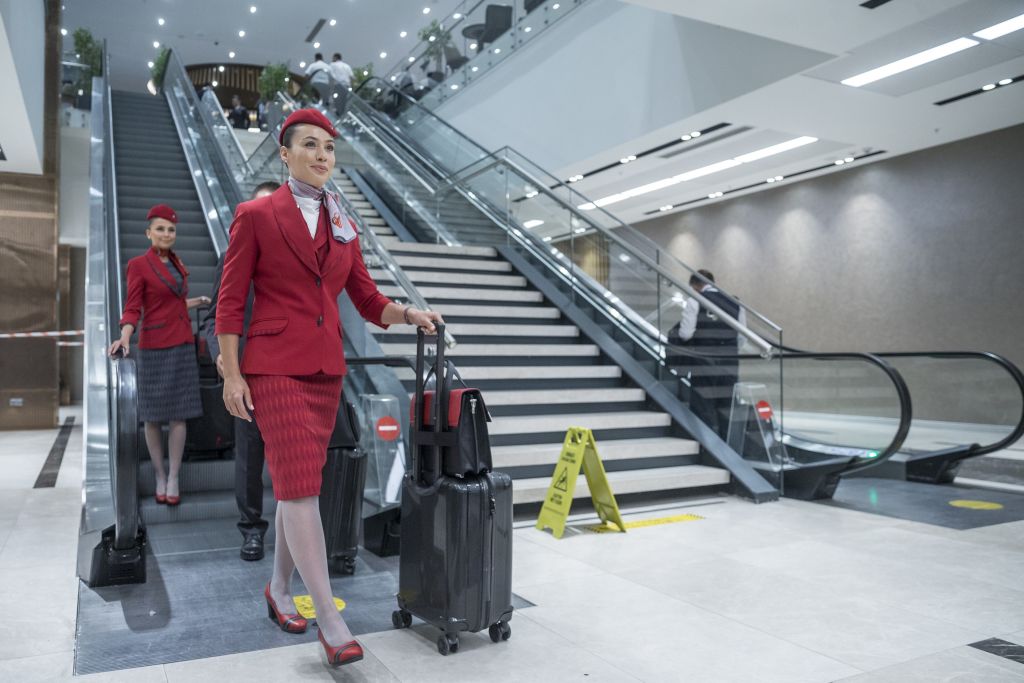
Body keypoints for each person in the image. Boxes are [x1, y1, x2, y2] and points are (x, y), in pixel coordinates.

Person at [215, 109, 443, 667]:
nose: (322, 156)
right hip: (272, 367)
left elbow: (365, 299)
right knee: (298, 490)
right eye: (310, 145)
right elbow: (229, 301)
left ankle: (276, 588)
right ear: (285, 152)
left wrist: (408, 312)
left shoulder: (343, 220)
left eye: (329, 148)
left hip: (324, 369)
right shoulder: (257, 214)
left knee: (300, 489)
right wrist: (231, 371)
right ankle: (329, 617)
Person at [109, 204, 211, 505]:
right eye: (161, 229)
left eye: (171, 229)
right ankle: (159, 474)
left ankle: (175, 475)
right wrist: (125, 336)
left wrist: (195, 302)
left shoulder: (178, 263)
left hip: (180, 344)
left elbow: (171, 302)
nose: (167, 234)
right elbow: (133, 308)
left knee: (180, 415)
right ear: (148, 233)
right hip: (153, 346)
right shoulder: (139, 265)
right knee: (152, 417)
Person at [201, 181, 280, 562]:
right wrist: (220, 355)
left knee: (295, 461)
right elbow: (212, 317)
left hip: (289, 375)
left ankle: (298, 535)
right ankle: (252, 530)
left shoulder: (297, 259)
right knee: (249, 460)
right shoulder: (234, 256)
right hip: (245, 375)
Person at [672, 269, 745, 437]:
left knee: (702, 403)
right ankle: (728, 448)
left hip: (704, 361)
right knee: (727, 405)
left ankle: (706, 445)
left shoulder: (695, 300)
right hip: (730, 360)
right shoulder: (735, 302)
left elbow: (685, 334)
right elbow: (742, 337)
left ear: (695, 286)